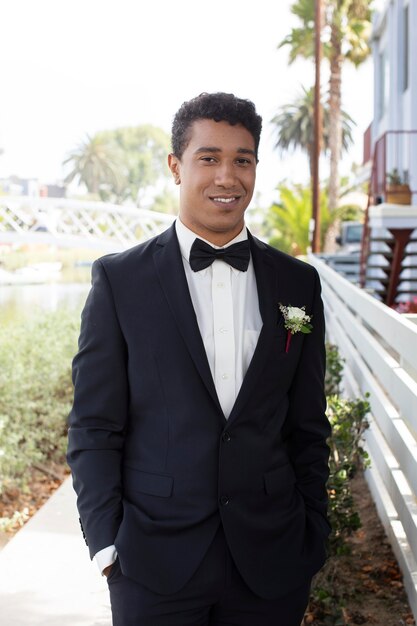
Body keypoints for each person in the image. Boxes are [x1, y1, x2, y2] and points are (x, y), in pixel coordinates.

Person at [67, 92, 331, 626]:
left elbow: (306, 424)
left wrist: (312, 532)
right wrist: (105, 545)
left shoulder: (298, 283)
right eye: (208, 158)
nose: (226, 177)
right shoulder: (121, 281)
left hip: (272, 562)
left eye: (242, 160)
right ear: (176, 166)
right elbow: (94, 426)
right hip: (152, 562)